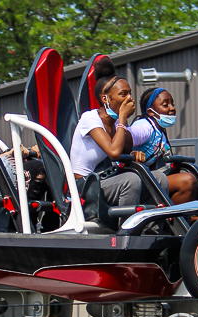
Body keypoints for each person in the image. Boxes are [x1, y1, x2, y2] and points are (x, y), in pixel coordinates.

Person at [69, 56, 169, 208]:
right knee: (131, 180)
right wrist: (122, 117)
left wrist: (133, 154)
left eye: (130, 93)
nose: (129, 99)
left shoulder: (115, 123)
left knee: (159, 177)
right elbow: (114, 152)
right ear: (105, 99)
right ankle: (126, 228)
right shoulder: (89, 118)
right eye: (123, 94)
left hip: (106, 178)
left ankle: (152, 228)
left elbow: (123, 150)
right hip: (84, 185)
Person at [130, 87, 198, 204]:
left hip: (164, 177)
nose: (172, 108)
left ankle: (197, 219)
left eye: (172, 104)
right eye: (165, 105)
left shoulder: (160, 129)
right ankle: (176, 219)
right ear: (150, 112)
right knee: (187, 180)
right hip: (147, 180)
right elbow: (124, 138)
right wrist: (132, 153)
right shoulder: (145, 126)